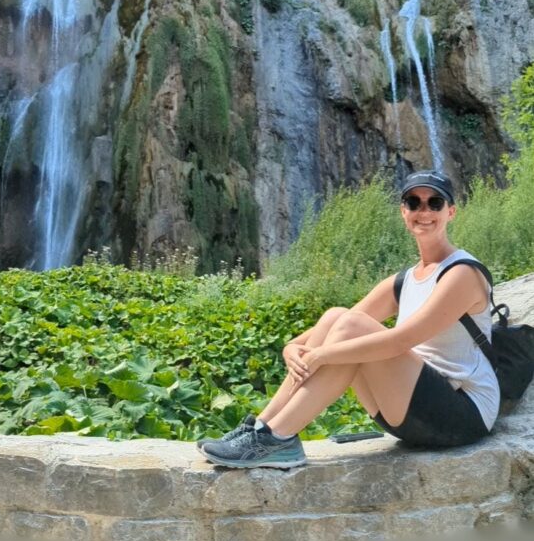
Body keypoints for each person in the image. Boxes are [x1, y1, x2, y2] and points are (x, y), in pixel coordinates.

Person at [199, 170, 500, 468]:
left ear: (451, 212)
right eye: (414, 202)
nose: (424, 211)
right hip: (410, 408)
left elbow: (401, 340)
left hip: (463, 413)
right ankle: (262, 428)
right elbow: (333, 324)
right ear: (403, 212)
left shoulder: (462, 272)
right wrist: (292, 347)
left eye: (434, 203)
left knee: (351, 326)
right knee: (336, 316)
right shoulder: (405, 280)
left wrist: (321, 355)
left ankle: (278, 438)